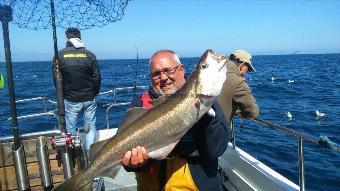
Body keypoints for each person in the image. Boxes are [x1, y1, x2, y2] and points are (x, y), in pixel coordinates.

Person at [121, 50, 230, 191]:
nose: (163, 77)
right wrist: (136, 163)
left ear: (182, 70)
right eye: (156, 74)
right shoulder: (139, 104)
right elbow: (125, 159)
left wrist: (204, 117)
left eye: (168, 70)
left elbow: (217, 149)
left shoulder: (207, 103)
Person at [57, 27, 101, 154]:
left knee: (71, 127)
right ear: (79, 37)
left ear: (67, 38)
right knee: (90, 127)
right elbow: (97, 77)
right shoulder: (90, 55)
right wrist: (94, 92)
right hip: (89, 98)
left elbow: (57, 80)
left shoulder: (59, 55)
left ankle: (76, 152)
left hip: (70, 99)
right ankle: (90, 153)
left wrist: (63, 95)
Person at [217, 49, 259, 125]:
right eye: (248, 69)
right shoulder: (238, 82)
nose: (246, 73)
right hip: (215, 132)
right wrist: (241, 113)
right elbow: (253, 112)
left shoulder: (212, 70)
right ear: (242, 65)